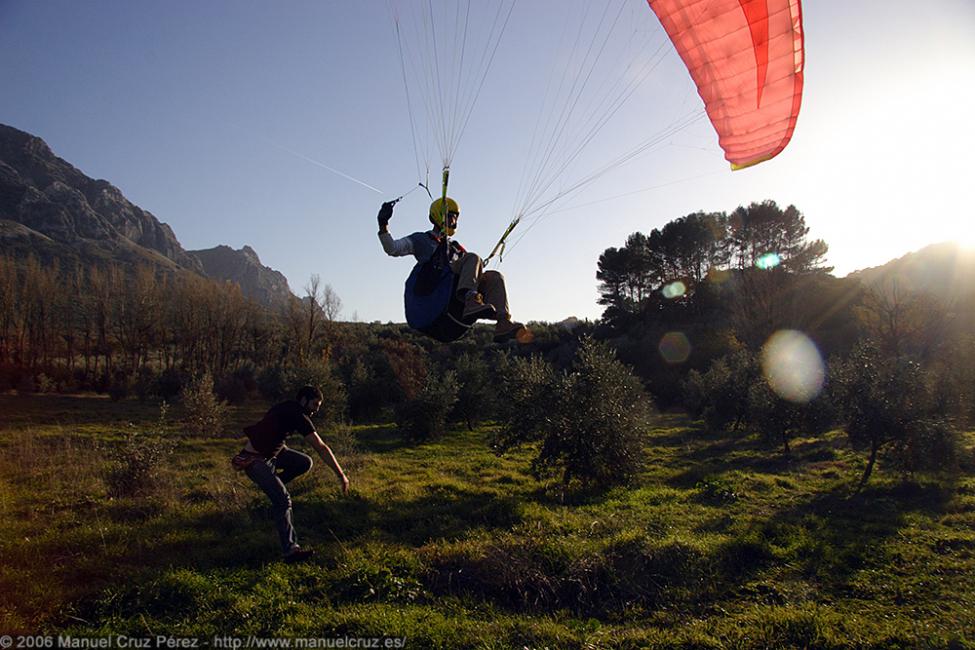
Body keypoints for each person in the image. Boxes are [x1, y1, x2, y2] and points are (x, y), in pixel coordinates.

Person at [378, 197, 531, 343]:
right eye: (451, 217)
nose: (454, 222)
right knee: (473, 258)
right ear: (440, 215)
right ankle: (471, 300)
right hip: (435, 290)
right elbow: (392, 248)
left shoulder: (456, 248)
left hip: (453, 301)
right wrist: (383, 224)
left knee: (494, 276)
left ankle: (503, 322)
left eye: (456, 218)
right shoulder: (422, 240)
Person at [231, 385, 349, 563]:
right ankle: (291, 552)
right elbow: (321, 447)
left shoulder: (285, 406)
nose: (316, 409)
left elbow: (271, 433)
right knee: (284, 500)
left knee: (304, 462)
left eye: (319, 405)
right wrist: (341, 475)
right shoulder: (298, 415)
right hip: (254, 461)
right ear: (303, 400)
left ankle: (275, 492)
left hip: (271, 455)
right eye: (314, 404)